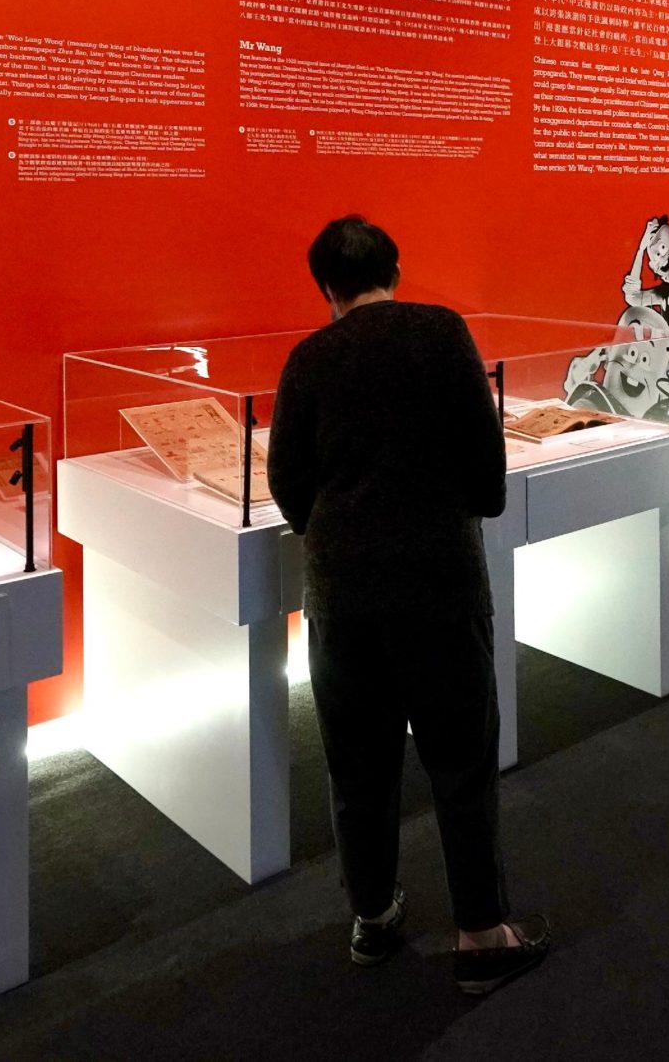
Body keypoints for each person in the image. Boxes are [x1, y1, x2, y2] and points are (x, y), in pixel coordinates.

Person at [266, 217, 550, 995]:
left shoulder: (309, 359)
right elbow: (486, 468)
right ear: (395, 268)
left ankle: (373, 915)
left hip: (343, 597)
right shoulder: (442, 333)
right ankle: (481, 933)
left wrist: (339, 530)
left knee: (358, 767)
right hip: (441, 584)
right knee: (461, 760)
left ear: (326, 288)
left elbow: (288, 482)